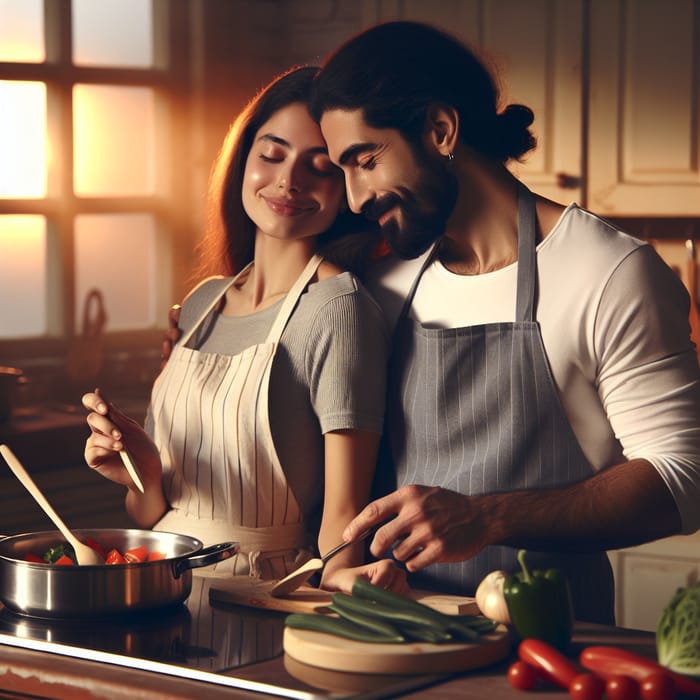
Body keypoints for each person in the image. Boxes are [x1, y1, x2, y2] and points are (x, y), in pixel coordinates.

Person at [306, 21, 700, 624]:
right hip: (398, 641)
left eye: (366, 160)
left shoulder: (610, 271)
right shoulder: (383, 286)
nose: (356, 197)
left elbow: (685, 478)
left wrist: (487, 517)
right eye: (344, 171)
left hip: (547, 652)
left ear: (440, 130)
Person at [82, 66, 407, 593]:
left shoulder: (338, 309)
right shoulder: (202, 302)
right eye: (271, 155)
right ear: (242, 162)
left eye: (318, 167)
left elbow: (343, 514)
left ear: (346, 182)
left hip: (260, 592)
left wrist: (346, 584)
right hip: (159, 578)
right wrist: (140, 465)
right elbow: (150, 514)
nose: (288, 182)